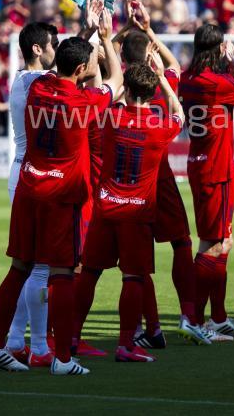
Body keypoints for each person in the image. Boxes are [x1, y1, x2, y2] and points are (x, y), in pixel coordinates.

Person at [0, 0, 121, 376]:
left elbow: (64, 66)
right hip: (61, 194)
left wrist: (88, 32)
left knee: (21, 267)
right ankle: (54, 354)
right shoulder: (82, 98)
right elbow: (115, 80)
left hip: (29, 182)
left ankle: (4, 343)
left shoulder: (36, 87)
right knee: (57, 273)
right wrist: (104, 39)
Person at [109, 0, 204, 347]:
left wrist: (125, 31)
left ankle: (150, 328)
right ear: (150, 55)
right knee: (181, 242)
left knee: (136, 264)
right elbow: (173, 64)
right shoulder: (167, 83)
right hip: (160, 176)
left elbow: (111, 61)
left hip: (123, 183)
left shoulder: (120, 90)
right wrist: (148, 30)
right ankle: (188, 315)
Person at [77, 53, 184, 362]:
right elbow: (179, 114)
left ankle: (70, 339)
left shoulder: (109, 118)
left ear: (127, 89)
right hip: (137, 212)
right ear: (152, 94)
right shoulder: (159, 127)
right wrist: (163, 78)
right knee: (134, 277)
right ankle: (125, 346)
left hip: (106, 207)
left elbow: (112, 94)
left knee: (90, 273)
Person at [178, 22, 234, 339]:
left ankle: (216, 318)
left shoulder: (189, 79)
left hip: (199, 163)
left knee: (218, 242)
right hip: (218, 169)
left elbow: (222, 84)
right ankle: (194, 319)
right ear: (217, 50)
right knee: (215, 245)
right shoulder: (218, 83)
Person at [4, 23, 58, 368]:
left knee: (27, 266)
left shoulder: (25, 80)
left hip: (22, 173)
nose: (57, 48)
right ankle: (39, 347)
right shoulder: (34, 83)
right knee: (40, 267)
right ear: (37, 49)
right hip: (31, 177)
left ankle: (13, 340)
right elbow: (70, 71)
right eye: (53, 43)